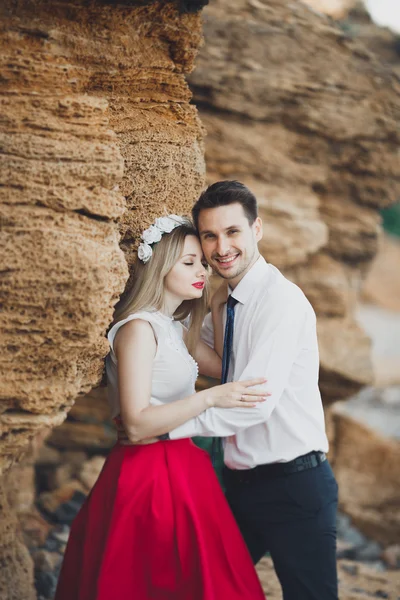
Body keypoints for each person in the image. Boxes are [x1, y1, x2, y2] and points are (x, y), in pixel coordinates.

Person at [54, 215, 267, 600]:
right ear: (159, 264)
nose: (201, 270)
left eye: (201, 263)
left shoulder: (174, 328)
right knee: (145, 583)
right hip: (145, 472)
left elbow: (225, 366)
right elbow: (135, 424)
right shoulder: (139, 329)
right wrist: (208, 399)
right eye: (189, 262)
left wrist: (219, 300)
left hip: (183, 467)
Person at [158, 182, 339, 600]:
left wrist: (164, 430)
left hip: (295, 485)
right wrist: (159, 311)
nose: (222, 247)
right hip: (240, 486)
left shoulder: (280, 303)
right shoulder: (225, 301)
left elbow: (253, 405)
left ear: (257, 229)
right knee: (205, 587)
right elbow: (205, 356)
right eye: (210, 236)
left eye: (233, 232)